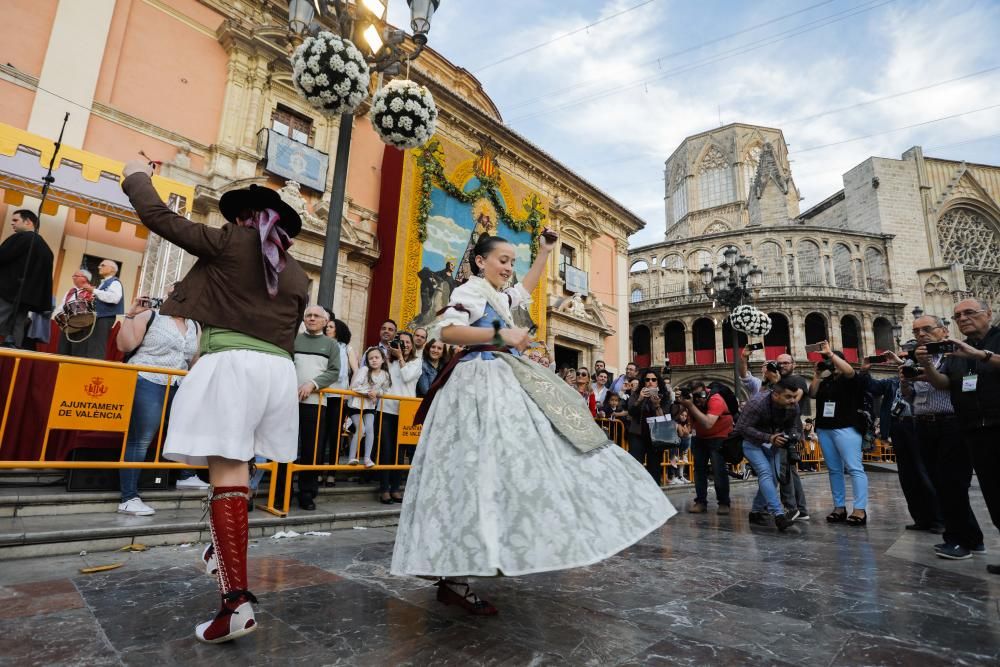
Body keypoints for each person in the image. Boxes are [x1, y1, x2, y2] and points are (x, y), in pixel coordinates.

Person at [391, 233, 674, 614]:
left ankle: (483, 557)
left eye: (511, 261)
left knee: (511, 469)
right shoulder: (471, 292)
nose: (509, 267)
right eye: (502, 260)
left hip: (502, 378)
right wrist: (499, 334)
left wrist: (543, 253)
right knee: (473, 474)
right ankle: (456, 576)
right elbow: (447, 331)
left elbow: (524, 289)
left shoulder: (498, 295)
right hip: (477, 384)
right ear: (479, 262)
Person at [122, 159, 308, 643]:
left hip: (233, 364)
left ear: (244, 217)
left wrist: (135, 175)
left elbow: (160, 218)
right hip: (277, 373)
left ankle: (235, 601)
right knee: (235, 469)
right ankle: (221, 550)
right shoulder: (298, 273)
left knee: (224, 470)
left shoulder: (232, 241)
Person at [917, 299, 998, 568]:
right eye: (957, 315)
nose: (962, 318)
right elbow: (945, 384)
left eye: (969, 313)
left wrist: (979, 355)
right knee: (994, 494)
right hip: (973, 428)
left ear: (989, 313)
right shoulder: (956, 353)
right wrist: (928, 367)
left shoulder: (993, 342)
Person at [115, 291, 199, 515]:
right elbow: (124, 346)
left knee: (183, 431)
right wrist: (130, 316)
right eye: (175, 293)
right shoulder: (150, 316)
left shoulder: (195, 325)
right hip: (148, 379)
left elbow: (193, 360)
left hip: (179, 384)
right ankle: (128, 497)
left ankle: (185, 476)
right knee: (141, 439)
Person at [859, 346, 942, 533]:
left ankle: (938, 518)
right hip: (898, 426)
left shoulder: (922, 380)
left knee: (924, 473)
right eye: (901, 359)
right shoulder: (892, 382)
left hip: (916, 425)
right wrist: (864, 370)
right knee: (907, 475)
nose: (903, 362)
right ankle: (920, 517)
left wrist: (905, 367)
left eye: (906, 359)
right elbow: (872, 387)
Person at [809, 341, 869, 526]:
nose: (831, 364)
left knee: (854, 468)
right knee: (834, 470)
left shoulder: (852, 379)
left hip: (847, 427)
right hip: (825, 428)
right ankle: (839, 507)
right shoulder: (827, 381)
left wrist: (831, 355)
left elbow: (850, 371)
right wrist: (817, 375)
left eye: (834, 361)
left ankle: (859, 509)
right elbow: (812, 393)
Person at [290, 306, 341, 511]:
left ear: (324, 321)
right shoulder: (294, 340)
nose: (311, 319)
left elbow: (334, 371)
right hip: (289, 402)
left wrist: (312, 383)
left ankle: (307, 493)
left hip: (316, 403)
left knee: (312, 450)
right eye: (308, 315)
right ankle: (280, 490)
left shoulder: (331, 345)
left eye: (316, 316)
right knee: (284, 446)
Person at [733, 378, 801, 532]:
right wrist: (769, 437)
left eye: (794, 396)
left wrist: (792, 436)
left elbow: (792, 427)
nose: (793, 401)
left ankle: (756, 512)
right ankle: (778, 515)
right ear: (776, 395)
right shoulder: (757, 403)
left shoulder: (793, 406)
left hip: (774, 443)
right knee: (765, 472)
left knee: (774, 479)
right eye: (788, 397)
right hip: (752, 442)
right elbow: (742, 427)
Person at [676, 381, 733, 515]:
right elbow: (678, 416)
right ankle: (700, 501)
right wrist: (680, 402)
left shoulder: (715, 399)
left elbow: (708, 423)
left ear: (706, 391)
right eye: (694, 396)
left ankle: (724, 502)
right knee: (699, 470)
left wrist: (690, 405)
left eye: (700, 394)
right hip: (699, 437)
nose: (698, 399)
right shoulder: (690, 401)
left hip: (719, 436)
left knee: (718, 470)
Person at [0, 209, 54, 348]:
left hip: (8, 292)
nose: (12, 223)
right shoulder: (47, 250)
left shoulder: (22, 238)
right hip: (26, 299)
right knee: (16, 328)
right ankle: (11, 363)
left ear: (28, 221)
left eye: (15, 220)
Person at [379, 330, 421, 503]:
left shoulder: (417, 361)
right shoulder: (387, 361)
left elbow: (407, 377)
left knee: (400, 452)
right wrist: (391, 356)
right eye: (400, 341)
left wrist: (401, 358)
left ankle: (396, 488)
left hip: (405, 410)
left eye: (407, 342)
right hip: (387, 408)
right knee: (386, 450)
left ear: (411, 346)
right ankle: (384, 488)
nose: (404, 345)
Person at [322, 318, 357, 484]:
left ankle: (331, 473)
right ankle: (318, 470)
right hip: (322, 394)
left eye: (331, 326)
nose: (327, 329)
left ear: (338, 330)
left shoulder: (347, 348)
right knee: (320, 434)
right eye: (327, 326)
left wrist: (350, 392)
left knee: (335, 435)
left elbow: (356, 371)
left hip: (339, 395)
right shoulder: (322, 344)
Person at [347, 347, 391, 468]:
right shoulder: (364, 370)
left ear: (383, 360)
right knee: (361, 429)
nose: (374, 360)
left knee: (370, 429)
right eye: (371, 358)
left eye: (377, 357)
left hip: (370, 405)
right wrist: (368, 392)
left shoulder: (385, 374)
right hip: (356, 404)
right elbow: (355, 386)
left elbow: (385, 390)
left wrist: (377, 394)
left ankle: (367, 458)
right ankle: (352, 457)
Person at [626, 369, 673, 483]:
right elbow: (631, 412)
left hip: (656, 437)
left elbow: (665, 418)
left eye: (653, 379)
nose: (650, 382)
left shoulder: (664, 396)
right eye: (647, 379)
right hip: (638, 434)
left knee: (654, 468)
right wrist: (640, 399)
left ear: (658, 381)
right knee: (636, 466)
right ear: (643, 381)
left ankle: (654, 496)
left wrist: (657, 406)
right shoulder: (636, 394)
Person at [83, 259, 125, 359]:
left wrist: (94, 291)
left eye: (102, 265)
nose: (99, 267)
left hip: (105, 317)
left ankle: (94, 369)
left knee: (98, 345)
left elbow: (115, 298)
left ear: (112, 269)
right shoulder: (105, 283)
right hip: (100, 317)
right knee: (93, 344)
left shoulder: (115, 282)